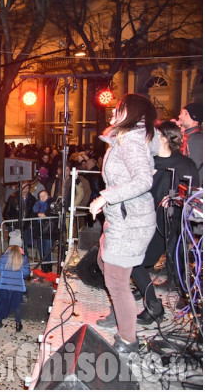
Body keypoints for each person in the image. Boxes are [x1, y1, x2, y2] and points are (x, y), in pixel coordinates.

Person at [89, 94, 158, 354]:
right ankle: (121, 313)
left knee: (116, 280)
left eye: (119, 108)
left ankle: (128, 339)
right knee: (103, 262)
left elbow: (143, 180)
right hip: (120, 216)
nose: (113, 110)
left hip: (131, 221)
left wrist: (106, 196)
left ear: (131, 112)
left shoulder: (130, 140)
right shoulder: (124, 138)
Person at [131, 121, 200, 324]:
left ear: (163, 137)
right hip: (149, 222)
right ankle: (151, 300)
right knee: (136, 261)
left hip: (174, 224)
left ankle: (187, 298)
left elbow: (193, 196)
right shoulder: (147, 161)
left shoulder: (184, 164)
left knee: (178, 263)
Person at [0, 230, 31, 332]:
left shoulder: (4, 256)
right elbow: (26, 273)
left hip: (4, 285)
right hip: (17, 286)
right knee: (16, 305)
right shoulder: (23, 258)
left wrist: (5, 273)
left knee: (2, 303)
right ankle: (18, 324)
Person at [32, 190, 59, 273]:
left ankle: (49, 270)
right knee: (41, 251)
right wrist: (37, 214)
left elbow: (55, 213)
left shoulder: (52, 204)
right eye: (41, 196)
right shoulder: (36, 205)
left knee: (47, 251)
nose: (43, 197)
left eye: (44, 195)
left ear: (48, 195)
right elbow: (31, 213)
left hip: (48, 231)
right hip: (39, 231)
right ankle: (44, 270)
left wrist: (45, 215)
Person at [177, 102, 202, 183]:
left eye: (185, 114)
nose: (180, 116)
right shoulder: (183, 137)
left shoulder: (198, 140)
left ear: (195, 119)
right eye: (181, 113)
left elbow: (191, 169)